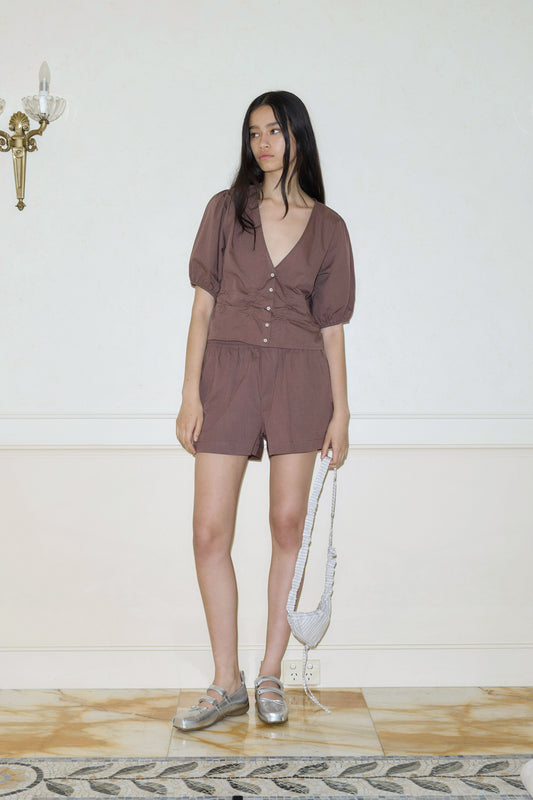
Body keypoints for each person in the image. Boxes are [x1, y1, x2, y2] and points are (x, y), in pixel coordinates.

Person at [173, 90, 355, 731]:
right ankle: (226, 682)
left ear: (296, 135)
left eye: (274, 130)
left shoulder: (329, 228)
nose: (263, 143)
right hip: (226, 376)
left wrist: (342, 410)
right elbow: (201, 309)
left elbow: (332, 328)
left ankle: (271, 671)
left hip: (301, 379)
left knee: (286, 529)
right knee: (208, 531)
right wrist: (190, 391)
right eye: (254, 133)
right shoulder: (226, 213)